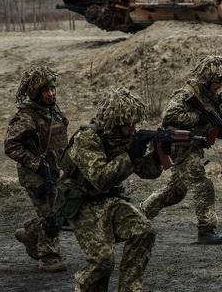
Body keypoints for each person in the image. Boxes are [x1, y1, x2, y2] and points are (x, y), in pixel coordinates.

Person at [55, 87, 162, 291]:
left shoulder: (125, 137)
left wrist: (157, 154)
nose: (133, 129)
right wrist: (130, 154)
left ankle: (130, 288)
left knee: (144, 230)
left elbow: (147, 172)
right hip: (81, 204)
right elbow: (100, 178)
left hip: (110, 200)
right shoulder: (86, 138)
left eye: (134, 124)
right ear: (115, 123)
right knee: (103, 262)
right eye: (128, 124)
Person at [141, 56, 222, 244]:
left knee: (175, 192)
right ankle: (206, 230)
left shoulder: (212, 97)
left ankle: (140, 215)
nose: (219, 86)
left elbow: (212, 121)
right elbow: (169, 115)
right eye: (217, 82)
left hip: (194, 146)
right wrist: (198, 119)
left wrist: (218, 131)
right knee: (202, 183)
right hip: (180, 146)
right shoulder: (186, 94)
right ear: (206, 80)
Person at [4, 66, 68, 272]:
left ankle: (30, 233)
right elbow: (10, 145)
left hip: (55, 171)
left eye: (52, 89)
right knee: (50, 215)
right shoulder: (26, 117)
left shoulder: (54, 112)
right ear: (36, 93)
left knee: (57, 211)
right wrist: (35, 164)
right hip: (36, 176)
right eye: (45, 90)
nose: (51, 93)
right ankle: (49, 258)